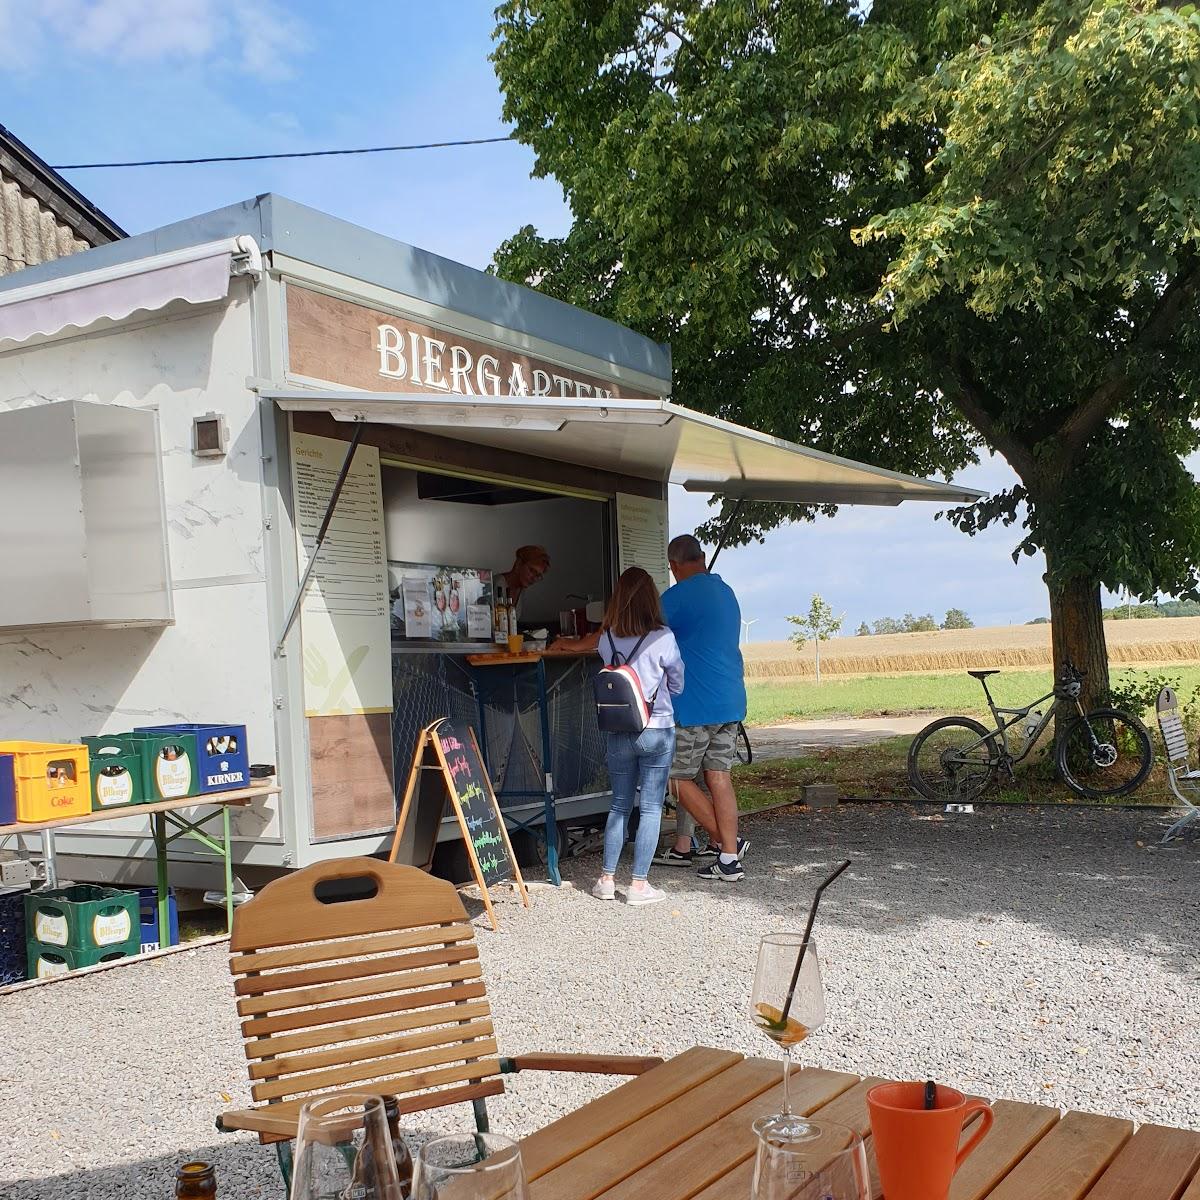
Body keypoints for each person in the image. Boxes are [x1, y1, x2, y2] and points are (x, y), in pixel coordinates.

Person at [591, 567, 685, 906]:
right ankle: (639, 885)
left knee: (619, 804)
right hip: (656, 728)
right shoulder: (662, 637)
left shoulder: (607, 637)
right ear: (650, 599)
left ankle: (606, 879)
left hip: (618, 729)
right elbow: (677, 682)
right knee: (650, 808)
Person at [658, 534, 749, 882]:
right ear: (704, 556)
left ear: (673, 566)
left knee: (676, 778)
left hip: (695, 705)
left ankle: (730, 843)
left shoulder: (678, 596)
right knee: (719, 777)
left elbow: (640, 627)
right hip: (731, 701)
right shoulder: (725, 591)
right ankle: (727, 859)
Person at [501, 545, 550, 619]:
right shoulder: (496, 584)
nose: (534, 578)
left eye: (538, 575)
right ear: (519, 564)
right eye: (532, 571)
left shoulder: (521, 589)